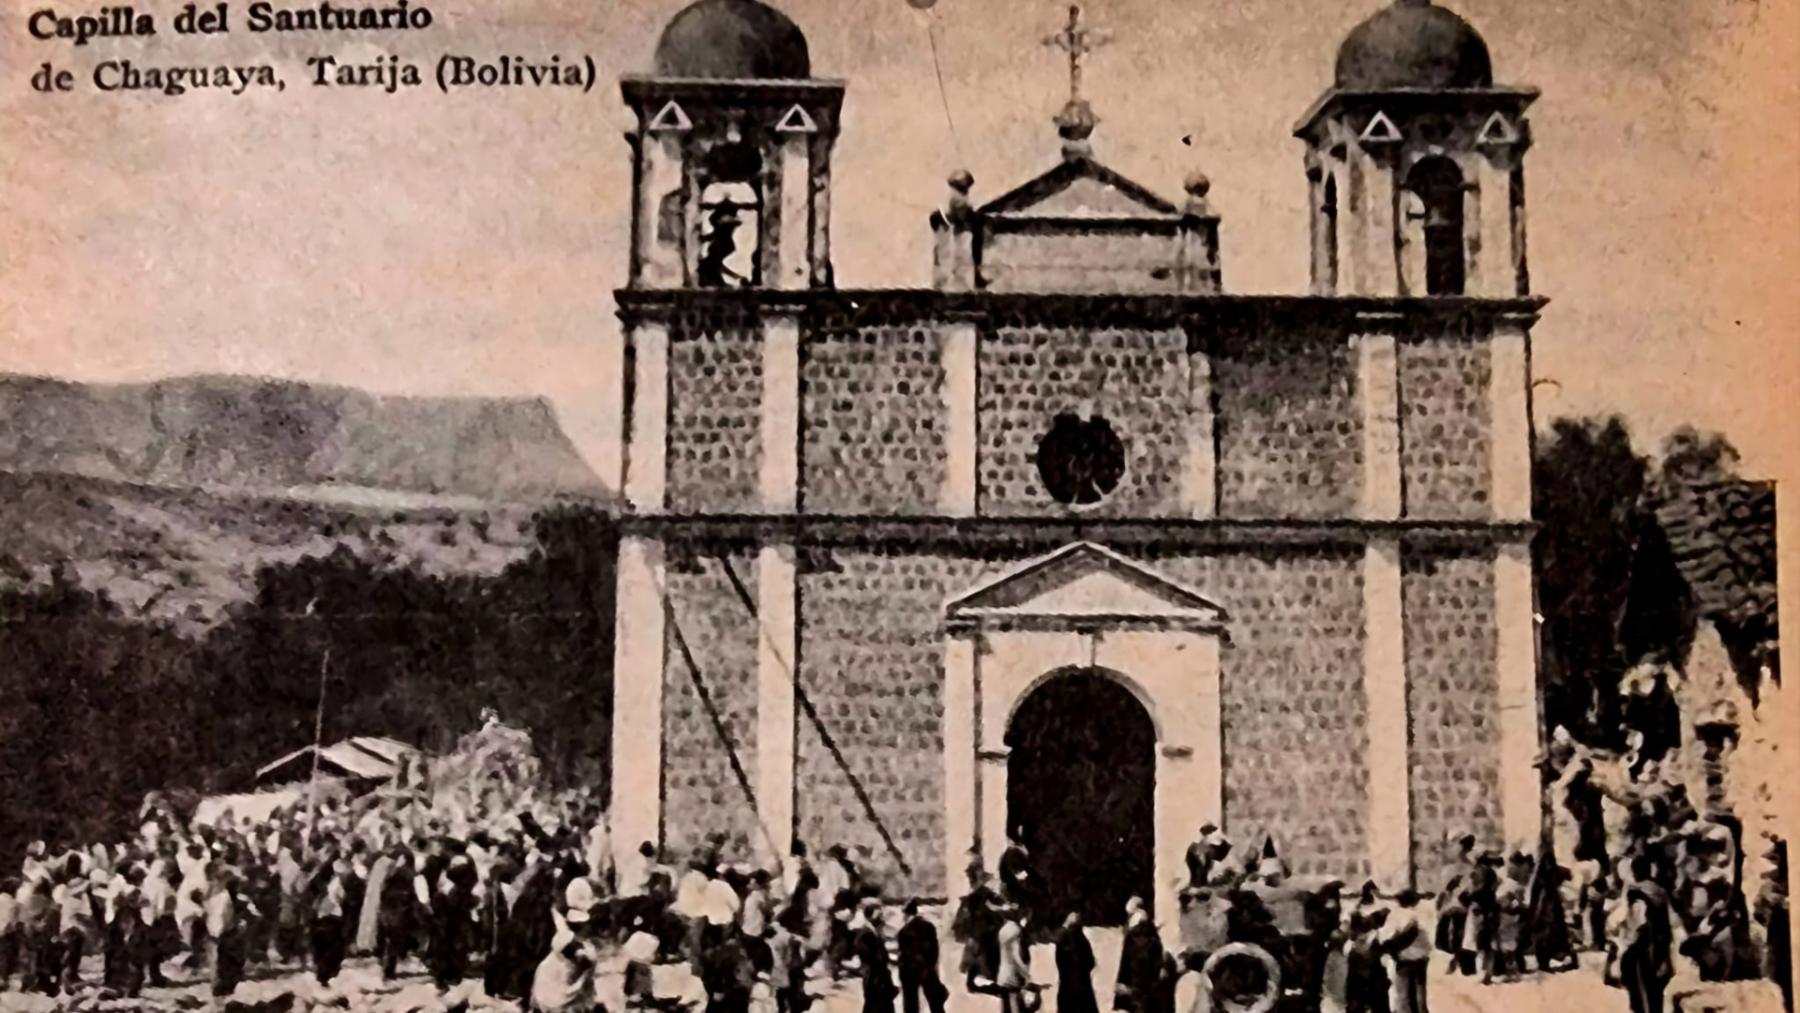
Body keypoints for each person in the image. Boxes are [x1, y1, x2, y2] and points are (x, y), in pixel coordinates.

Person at [1617, 856, 1673, 1013]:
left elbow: (1629, 921)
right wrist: (1666, 954)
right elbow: (1667, 924)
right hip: (1658, 945)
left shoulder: (1633, 891)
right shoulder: (1660, 891)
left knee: (1638, 991)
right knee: (1655, 991)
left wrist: (1624, 944)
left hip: (1639, 945)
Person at [1377, 890, 1430, 1013]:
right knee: (1419, 993)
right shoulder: (1420, 915)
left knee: (1403, 995)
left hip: (1404, 958)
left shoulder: (1395, 916)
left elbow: (1385, 937)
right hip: (1421, 958)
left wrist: (1390, 951)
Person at [952, 868, 1002, 992]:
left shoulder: (972, 893)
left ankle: (971, 983)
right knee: (991, 956)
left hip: (976, 930)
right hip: (985, 929)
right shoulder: (983, 892)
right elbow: (997, 902)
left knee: (976, 957)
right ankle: (994, 981)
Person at [898, 900, 948, 1013]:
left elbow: (903, 955)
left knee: (911, 1003)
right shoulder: (929, 927)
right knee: (935, 1002)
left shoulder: (903, 932)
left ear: (906, 914)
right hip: (927, 969)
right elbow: (935, 950)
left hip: (910, 972)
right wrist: (932, 966)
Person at [1114, 898, 1162, 1013]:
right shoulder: (1152, 933)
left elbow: (1126, 960)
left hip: (1137, 980)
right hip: (1146, 982)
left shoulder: (1133, 934)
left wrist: (1121, 982)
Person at [855, 900, 899, 1013]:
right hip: (873, 979)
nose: (881, 918)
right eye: (878, 915)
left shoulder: (874, 933)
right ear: (869, 916)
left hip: (879, 979)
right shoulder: (865, 935)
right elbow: (872, 958)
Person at [1053, 912, 1098, 1013]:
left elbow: (1059, 960)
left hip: (1066, 985)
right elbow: (1091, 962)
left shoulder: (1062, 938)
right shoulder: (1082, 939)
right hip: (1083, 985)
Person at [994, 906, 1031, 1013]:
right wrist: (1026, 973)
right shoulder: (1016, 930)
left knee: (1004, 1007)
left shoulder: (1003, 930)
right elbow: (1016, 955)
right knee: (1014, 1004)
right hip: (1012, 975)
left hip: (1002, 974)